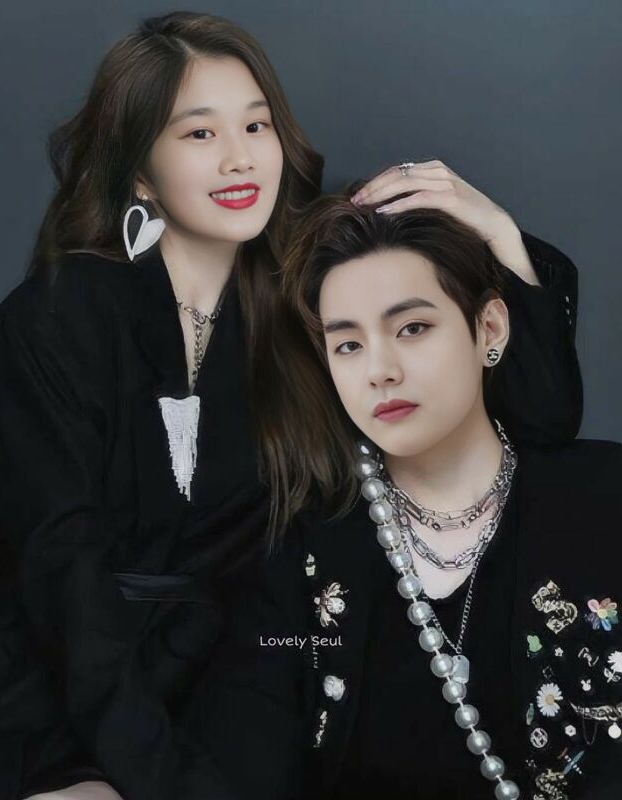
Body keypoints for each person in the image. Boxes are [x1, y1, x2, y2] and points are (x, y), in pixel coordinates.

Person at [0, 10, 584, 800]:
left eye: (257, 125)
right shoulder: (56, 319)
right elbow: (61, 575)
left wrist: (498, 232)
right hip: (63, 688)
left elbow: (542, 419)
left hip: (245, 684)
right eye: (199, 133)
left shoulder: (312, 298)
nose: (240, 158)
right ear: (140, 171)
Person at [187, 194, 620, 799]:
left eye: (412, 328)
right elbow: (244, 753)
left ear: (490, 328)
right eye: (348, 344)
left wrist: (503, 236)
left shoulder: (602, 498)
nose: (380, 370)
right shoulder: (300, 545)